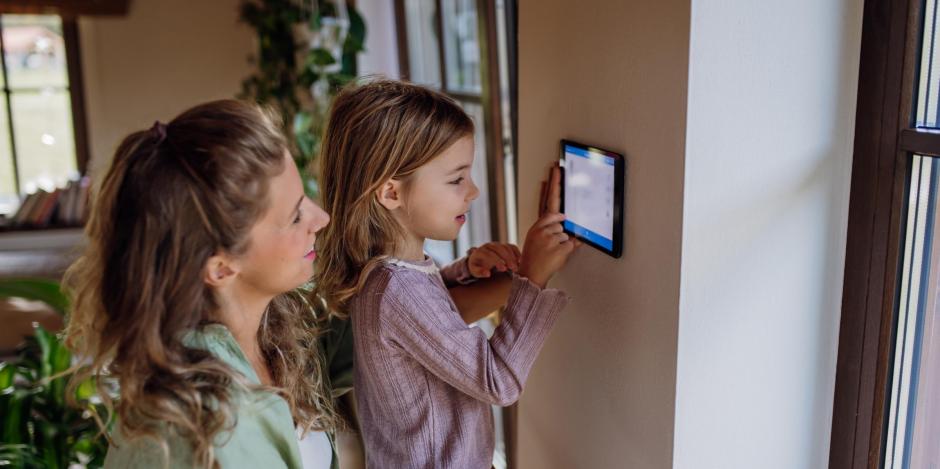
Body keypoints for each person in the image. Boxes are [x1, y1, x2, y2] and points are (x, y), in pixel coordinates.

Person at [64, 100, 348, 469]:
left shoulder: (275, 325)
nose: (321, 218)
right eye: (295, 216)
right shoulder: (197, 429)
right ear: (220, 268)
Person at [315, 79, 578, 468]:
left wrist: (467, 271)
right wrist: (532, 280)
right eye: (456, 179)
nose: (472, 191)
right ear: (391, 193)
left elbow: (426, 309)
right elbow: (498, 380)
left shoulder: (390, 273)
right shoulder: (396, 290)